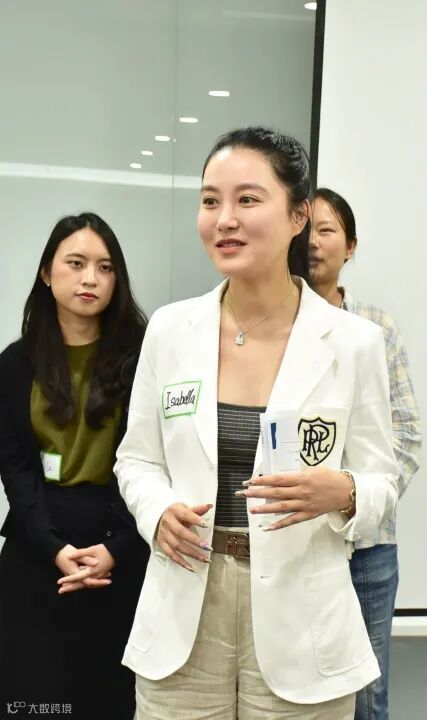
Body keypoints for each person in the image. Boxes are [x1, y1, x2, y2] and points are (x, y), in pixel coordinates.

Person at [115, 126, 399, 720]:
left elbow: (382, 481)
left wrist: (345, 491)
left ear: (298, 215)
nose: (224, 219)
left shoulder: (353, 342)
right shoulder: (170, 330)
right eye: (210, 200)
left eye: (247, 199)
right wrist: (157, 511)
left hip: (303, 615)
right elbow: (136, 459)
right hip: (187, 600)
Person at [0, 212, 149, 720]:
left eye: (105, 268)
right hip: (37, 552)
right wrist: (54, 548)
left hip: (120, 551)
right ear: (47, 272)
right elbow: (16, 471)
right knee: (35, 701)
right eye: (76, 263)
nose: (91, 279)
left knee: (110, 700)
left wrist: (116, 547)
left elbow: (154, 463)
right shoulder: (15, 363)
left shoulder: (143, 359)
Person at [310, 187, 422, 720]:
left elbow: (407, 435)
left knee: (366, 697)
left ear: (350, 246)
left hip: (369, 545)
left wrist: (356, 499)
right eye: (305, 230)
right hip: (295, 542)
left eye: (326, 230)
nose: (313, 242)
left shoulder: (378, 328)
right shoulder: (273, 325)